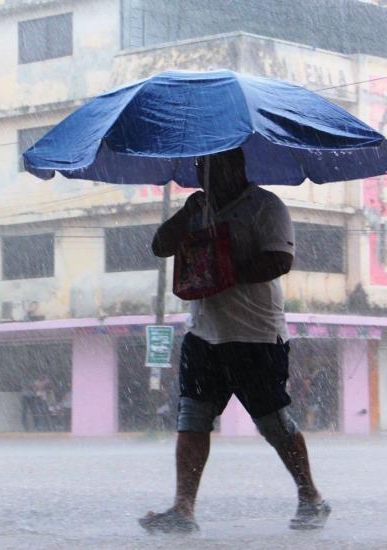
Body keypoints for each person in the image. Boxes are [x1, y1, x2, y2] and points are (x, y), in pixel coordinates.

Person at [139, 148, 330, 534]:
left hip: (255, 337)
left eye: (211, 165)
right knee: (192, 421)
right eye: (199, 165)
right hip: (203, 334)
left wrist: (223, 270)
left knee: (273, 424)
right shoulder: (198, 208)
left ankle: (310, 496)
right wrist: (188, 213)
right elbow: (160, 246)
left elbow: (279, 261)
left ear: (237, 165)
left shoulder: (266, 206)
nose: (203, 172)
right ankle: (183, 509)